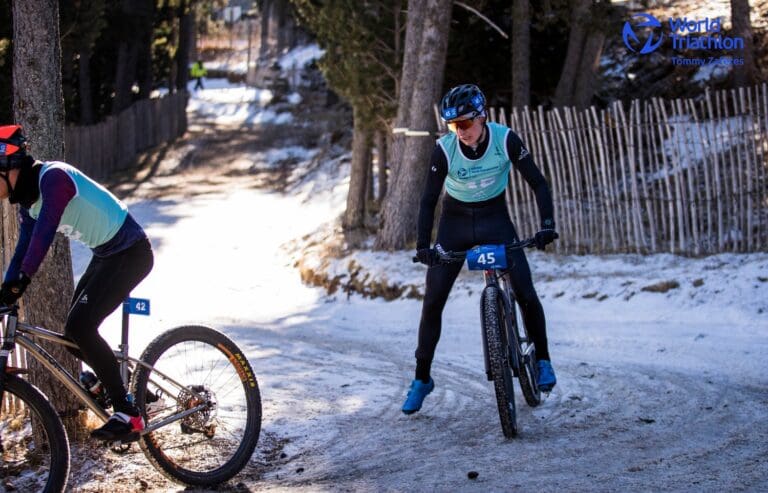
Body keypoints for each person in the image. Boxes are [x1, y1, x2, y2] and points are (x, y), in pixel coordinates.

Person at [401, 84, 559, 415]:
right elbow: (429, 200)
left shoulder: (504, 139)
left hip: (495, 220)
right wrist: (423, 246)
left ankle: (543, 360)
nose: (461, 131)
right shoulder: (444, 149)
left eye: (465, 124)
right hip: (454, 224)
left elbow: (539, 183)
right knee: (432, 302)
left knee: (526, 291)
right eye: (453, 125)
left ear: (482, 117)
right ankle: (421, 379)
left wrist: (546, 225)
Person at [0, 125, 154, 440]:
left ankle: (129, 414)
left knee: (82, 326)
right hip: (108, 253)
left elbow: (43, 237)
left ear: (9, 168)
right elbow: (21, 251)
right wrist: (6, 287)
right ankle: (119, 386)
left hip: (131, 252)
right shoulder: (29, 200)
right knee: (74, 331)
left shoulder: (53, 179)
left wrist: (22, 281)